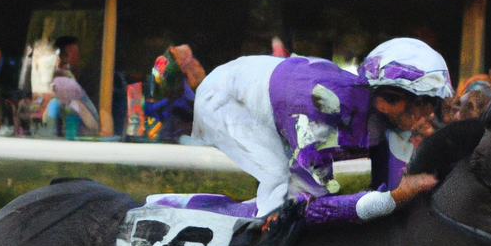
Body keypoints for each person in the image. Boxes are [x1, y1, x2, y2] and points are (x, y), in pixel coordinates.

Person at [191, 37, 453, 224]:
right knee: (280, 205)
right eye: (419, 104)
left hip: (272, 88)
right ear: (389, 98)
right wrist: (393, 198)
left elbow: (389, 188)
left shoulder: (380, 112)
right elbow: (312, 210)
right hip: (224, 98)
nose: (426, 114)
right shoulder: (321, 109)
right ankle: (183, 214)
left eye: (430, 103)